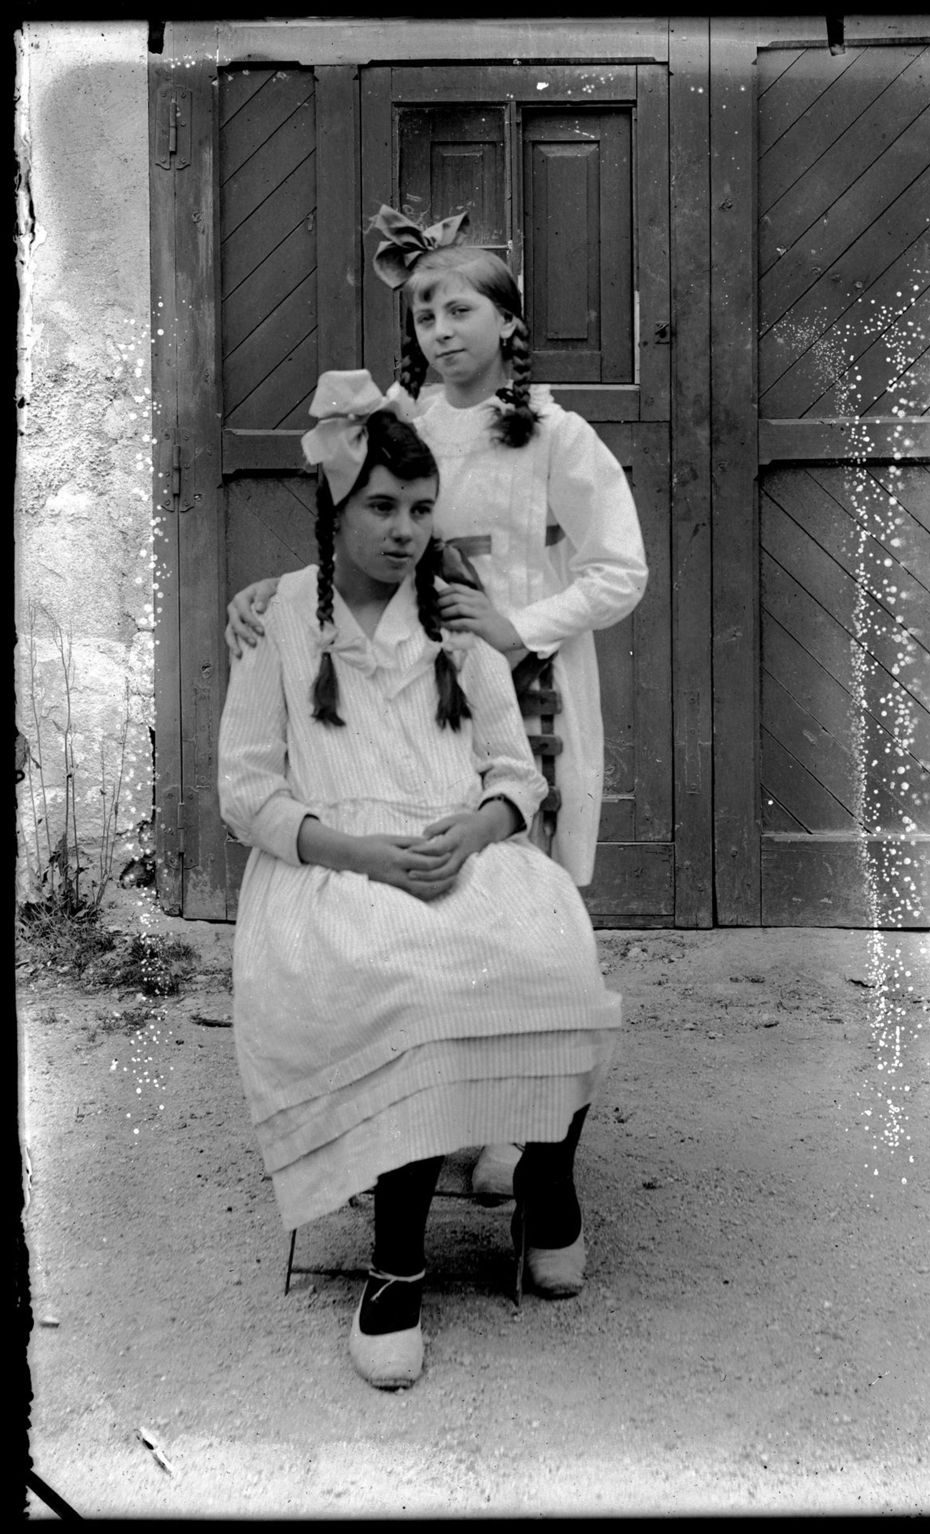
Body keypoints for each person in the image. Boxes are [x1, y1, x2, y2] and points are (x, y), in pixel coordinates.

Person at [225, 206, 648, 1201]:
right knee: (430, 909)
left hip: (523, 672)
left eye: (461, 309)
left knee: (522, 892)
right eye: (422, 315)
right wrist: (270, 593)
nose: (439, 331)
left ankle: (518, 1122)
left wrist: (518, 625)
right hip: (416, 684)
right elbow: (361, 525)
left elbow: (619, 569)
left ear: (507, 321)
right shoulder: (402, 428)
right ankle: (427, 1105)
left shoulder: (554, 433)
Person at [218, 372, 621, 1391]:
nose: (404, 530)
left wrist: (479, 828)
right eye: (381, 508)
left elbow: (514, 772)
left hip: (461, 843)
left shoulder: (452, 621)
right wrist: (362, 854)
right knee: (407, 978)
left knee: (557, 948)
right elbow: (247, 790)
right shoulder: (279, 623)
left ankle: (546, 1175)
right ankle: (396, 1260)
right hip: (332, 863)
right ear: (337, 511)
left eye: (419, 508)